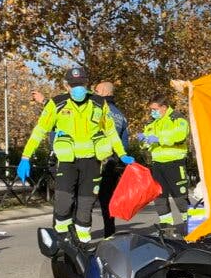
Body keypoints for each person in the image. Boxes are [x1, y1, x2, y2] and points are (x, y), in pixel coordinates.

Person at [16, 66, 133, 243]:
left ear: (86, 84)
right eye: (73, 84)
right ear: (66, 86)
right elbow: (39, 131)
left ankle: (83, 244)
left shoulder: (99, 104)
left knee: (85, 207)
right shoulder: (56, 104)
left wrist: (122, 154)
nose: (77, 88)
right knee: (63, 204)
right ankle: (63, 241)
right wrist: (25, 157)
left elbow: (110, 132)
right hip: (67, 162)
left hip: (92, 163)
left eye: (81, 84)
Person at [137, 95, 200, 234]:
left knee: (180, 198)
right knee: (159, 198)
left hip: (174, 163)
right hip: (157, 164)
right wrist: (143, 141)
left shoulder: (177, 119)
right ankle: (167, 229)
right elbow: (146, 144)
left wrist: (158, 139)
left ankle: (191, 227)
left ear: (164, 108)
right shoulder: (151, 123)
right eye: (150, 110)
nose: (152, 112)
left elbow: (180, 136)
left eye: (154, 109)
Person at [91, 81, 129, 238]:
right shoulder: (121, 115)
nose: (94, 92)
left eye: (96, 90)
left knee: (84, 201)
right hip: (111, 164)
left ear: (105, 92)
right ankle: (109, 234)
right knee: (107, 203)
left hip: (92, 161)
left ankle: (80, 237)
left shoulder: (96, 109)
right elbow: (124, 143)